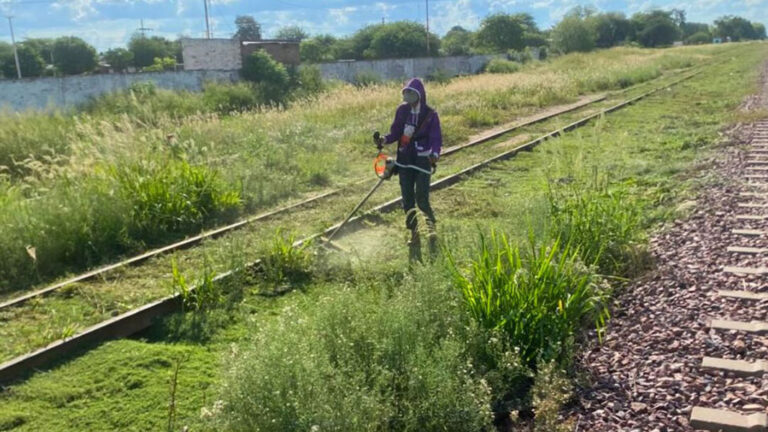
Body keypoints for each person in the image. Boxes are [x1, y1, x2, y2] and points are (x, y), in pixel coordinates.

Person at [375, 78, 442, 262]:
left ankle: (431, 231)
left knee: (422, 198)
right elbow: (396, 132)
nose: (408, 96)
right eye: (406, 92)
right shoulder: (402, 111)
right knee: (408, 200)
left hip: (422, 161)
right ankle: (414, 234)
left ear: (420, 94)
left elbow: (436, 138)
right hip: (404, 161)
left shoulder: (430, 114)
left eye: (411, 93)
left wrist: (435, 153)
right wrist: (384, 140)